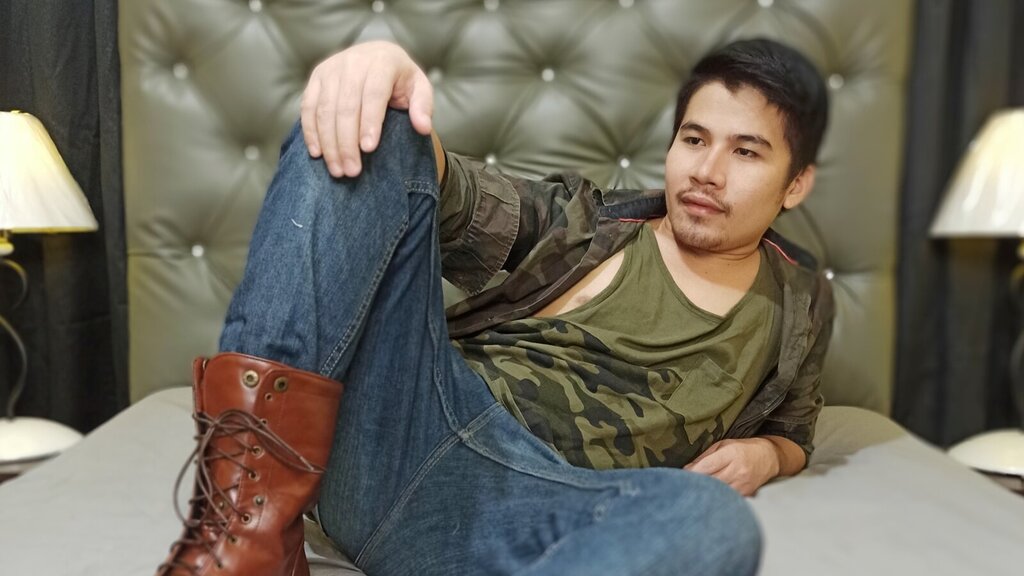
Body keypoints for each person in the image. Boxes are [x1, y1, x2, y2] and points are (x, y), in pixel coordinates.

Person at [158, 37, 833, 576]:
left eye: (746, 152)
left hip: (536, 510)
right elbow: (453, 191)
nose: (707, 172)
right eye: (694, 139)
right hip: (403, 429)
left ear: (796, 183)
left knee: (709, 518)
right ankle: (240, 534)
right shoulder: (589, 225)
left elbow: (794, 430)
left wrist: (768, 456)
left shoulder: (799, 307)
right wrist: (382, 73)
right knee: (371, 128)